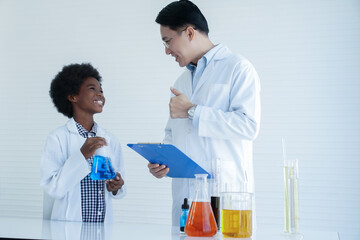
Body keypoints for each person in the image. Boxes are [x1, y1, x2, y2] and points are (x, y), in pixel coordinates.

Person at [148, 0, 261, 226]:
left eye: (168, 41)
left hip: (226, 195)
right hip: (186, 200)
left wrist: (192, 111)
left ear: (189, 32)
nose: (166, 50)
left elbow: (249, 126)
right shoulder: (181, 81)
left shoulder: (237, 68)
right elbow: (173, 134)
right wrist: (162, 161)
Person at [40, 63, 126, 222]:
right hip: (68, 228)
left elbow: (119, 185)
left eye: (101, 90)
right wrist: (82, 155)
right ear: (73, 96)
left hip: (100, 229)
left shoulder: (110, 139)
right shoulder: (57, 138)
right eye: (92, 89)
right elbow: (53, 189)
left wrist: (116, 186)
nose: (100, 94)